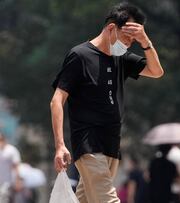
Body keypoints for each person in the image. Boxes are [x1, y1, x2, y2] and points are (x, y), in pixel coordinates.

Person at [50, 2, 164, 203]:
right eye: (127, 37)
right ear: (111, 28)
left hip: (112, 143)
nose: (129, 44)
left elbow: (156, 72)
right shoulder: (80, 55)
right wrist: (60, 145)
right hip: (88, 143)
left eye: (133, 40)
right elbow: (57, 101)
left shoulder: (121, 58)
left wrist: (145, 41)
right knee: (109, 200)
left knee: (87, 199)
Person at [0, 132, 22, 202]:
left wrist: (17, 180)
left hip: (8, 182)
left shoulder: (11, 150)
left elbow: (16, 166)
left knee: (3, 198)